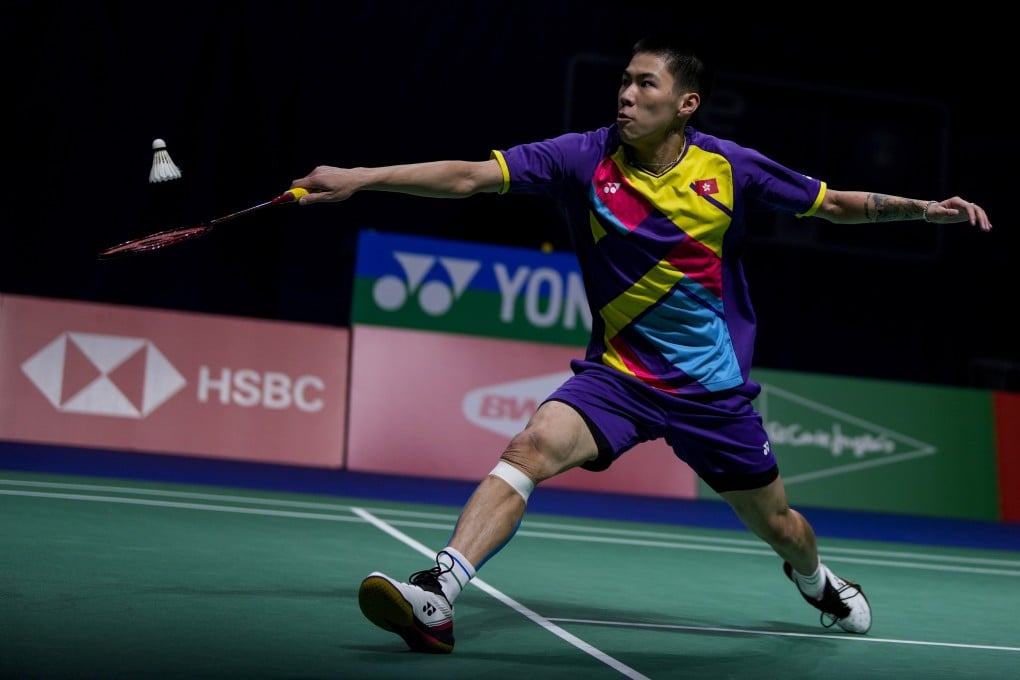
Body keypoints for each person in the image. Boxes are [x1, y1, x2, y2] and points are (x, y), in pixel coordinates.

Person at [291, 34, 993, 654]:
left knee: (781, 526)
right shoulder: (581, 157)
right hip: (619, 378)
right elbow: (470, 176)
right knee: (530, 448)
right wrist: (360, 179)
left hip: (711, 393)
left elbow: (832, 203)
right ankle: (437, 594)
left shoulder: (728, 167)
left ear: (687, 103)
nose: (626, 95)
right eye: (624, 82)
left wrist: (922, 210)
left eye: (644, 84)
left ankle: (818, 582)